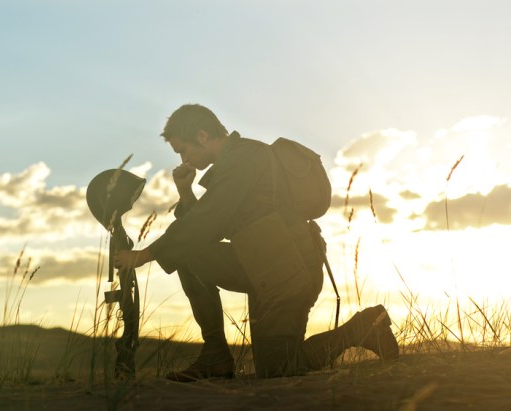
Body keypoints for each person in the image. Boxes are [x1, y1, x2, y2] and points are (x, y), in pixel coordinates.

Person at [114, 104, 399, 381]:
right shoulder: (234, 162)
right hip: (264, 267)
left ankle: (363, 327)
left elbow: (206, 221)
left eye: (183, 150)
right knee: (188, 252)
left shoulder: (244, 159)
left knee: (279, 369)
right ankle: (215, 355)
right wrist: (186, 192)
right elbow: (208, 228)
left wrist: (142, 256)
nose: (183, 160)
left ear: (202, 136)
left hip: (290, 273)